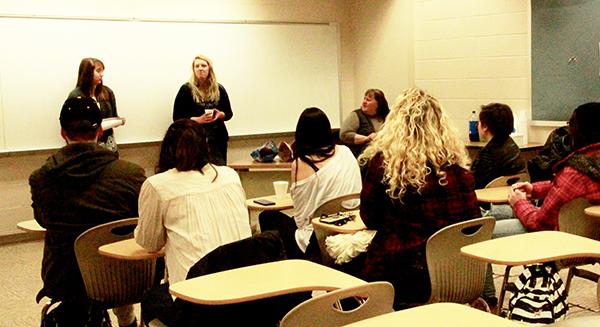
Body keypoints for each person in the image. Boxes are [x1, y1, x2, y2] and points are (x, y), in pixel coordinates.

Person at [357, 88, 480, 309]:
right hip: (460, 269)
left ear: (395, 124)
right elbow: (473, 222)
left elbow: (369, 217)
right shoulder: (459, 168)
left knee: (349, 271)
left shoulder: (385, 165)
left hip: (407, 274)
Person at [30, 97, 145, 327]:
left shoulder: (42, 178)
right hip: (125, 276)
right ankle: (127, 318)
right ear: (101, 131)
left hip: (66, 279)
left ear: (63, 132)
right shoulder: (131, 174)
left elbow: (43, 221)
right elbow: (141, 221)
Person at [135, 119, 251, 285]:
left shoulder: (158, 185)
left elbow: (150, 243)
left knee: (151, 299)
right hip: (245, 284)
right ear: (206, 146)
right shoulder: (230, 175)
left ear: (166, 149)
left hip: (196, 292)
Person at [259, 107, 362, 262]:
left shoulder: (300, 164)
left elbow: (301, 220)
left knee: (267, 217)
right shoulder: (346, 152)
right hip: (350, 228)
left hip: (315, 240)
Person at [509, 102, 600, 231]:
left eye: (571, 125)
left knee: (492, 227)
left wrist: (519, 202)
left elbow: (539, 224)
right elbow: (578, 191)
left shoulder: (575, 174)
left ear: (579, 131)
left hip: (559, 239)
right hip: (589, 236)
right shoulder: (592, 167)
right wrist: (535, 189)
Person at [173, 54, 233, 165]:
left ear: (209, 68)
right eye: (197, 66)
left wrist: (220, 115)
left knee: (219, 169)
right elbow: (177, 118)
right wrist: (196, 120)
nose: (200, 68)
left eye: (204, 66)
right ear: (193, 70)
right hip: (194, 138)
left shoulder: (219, 89)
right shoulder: (186, 90)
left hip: (217, 139)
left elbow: (229, 113)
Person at [68, 57, 125, 153]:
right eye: (98, 71)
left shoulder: (107, 92)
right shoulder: (76, 96)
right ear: (87, 73)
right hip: (86, 148)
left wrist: (119, 121)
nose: (102, 75)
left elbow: (114, 117)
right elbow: (72, 127)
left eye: (102, 71)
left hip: (108, 146)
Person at [471, 103, 526, 189]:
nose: (477, 126)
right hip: (513, 195)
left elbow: (472, 183)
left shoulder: (487, 154)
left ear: (485, 126)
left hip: (488, 198)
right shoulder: (512, 146)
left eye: (478, 123)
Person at [340, 88, 389, 157]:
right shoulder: (356, 115)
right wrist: (366, 138)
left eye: (368, 100)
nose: (364, 102)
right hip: (362, 157)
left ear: (378, 103)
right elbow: (344, 135)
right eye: (364, 99)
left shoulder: (388, 116)